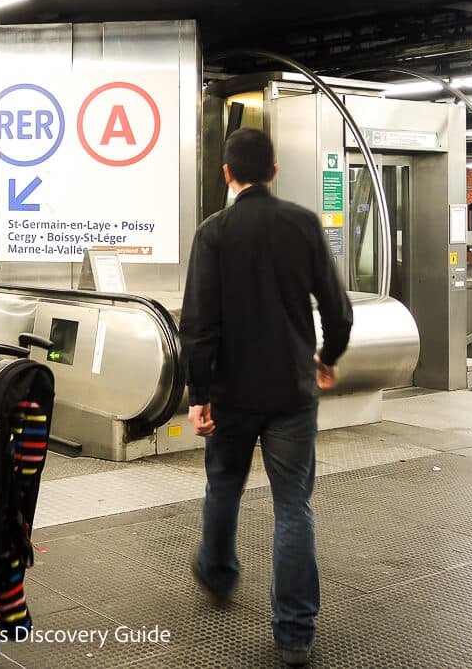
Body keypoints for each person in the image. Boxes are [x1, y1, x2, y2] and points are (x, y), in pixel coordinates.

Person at [179, 128, 354, 669]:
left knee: (223, 486)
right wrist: (328, 356)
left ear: (228, 174)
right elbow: (338, 308)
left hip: (231, 394)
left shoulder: (213, 233)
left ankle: (217, 572)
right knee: (293, 509)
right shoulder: (302, 224)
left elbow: (198, 323)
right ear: (274, 171)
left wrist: (199, 394)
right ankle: (296, 632)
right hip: (291, 393)